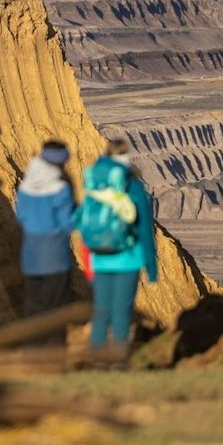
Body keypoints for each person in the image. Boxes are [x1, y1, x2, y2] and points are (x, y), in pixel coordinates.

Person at [79, 135, 159, 361]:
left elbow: (84, 225)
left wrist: (88, 262)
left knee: (102, 309)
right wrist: (151, 266)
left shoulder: (94, 185)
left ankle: (97, 359)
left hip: (100, 258)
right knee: (122, 310)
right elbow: (144, 228)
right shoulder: (132, 186)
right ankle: (118, 360)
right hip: (127, 258)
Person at [16, 140, 78, 318]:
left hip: (30, 258)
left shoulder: (26, 185)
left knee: (34, 307)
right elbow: (68, 223)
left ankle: (32, 344)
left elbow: (21, 216)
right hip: (54, 257)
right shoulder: (60, 188)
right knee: (55, 310)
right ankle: (53, 345)